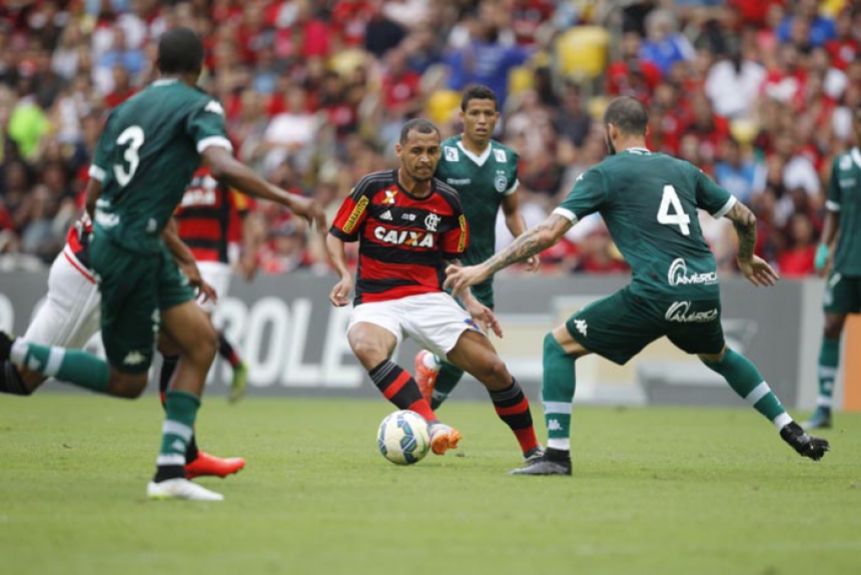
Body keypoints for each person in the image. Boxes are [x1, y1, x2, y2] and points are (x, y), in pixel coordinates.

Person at [0, 27, 326, 499]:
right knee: (100, 380)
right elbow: (221, 167)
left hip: (125, 245)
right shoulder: (199, 105)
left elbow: (95, 196)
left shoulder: (124, 110)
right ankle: (13, 348)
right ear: (201, 67)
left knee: (197, 342)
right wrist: (289, 199)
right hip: (110, 259)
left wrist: (180, 257)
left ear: (155, 64)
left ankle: (172, 471)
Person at [445, 96, 830, 475]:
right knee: (719, 356)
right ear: (646, 131)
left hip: (657, 292)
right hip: (702, 287)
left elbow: (548, 233)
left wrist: (482, 269)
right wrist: (745, 258)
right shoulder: (683, 169)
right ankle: (788, 427)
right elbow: (745, 217)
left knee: (557, 346)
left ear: (610, 132)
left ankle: (556, 455)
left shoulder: (605, 173)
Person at [327, 118, 542, 463]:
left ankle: (534, 451)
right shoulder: (373, 188)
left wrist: (469, 301)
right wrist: (343, 275)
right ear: (400, 152)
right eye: (416, 151)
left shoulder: (448, 201)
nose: (425, 159)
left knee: (495, 370)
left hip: (429, 298)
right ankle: (432, 424)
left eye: (431, 151)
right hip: (377, 300)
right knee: (366, 345)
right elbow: (336, 235)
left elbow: (451, 260)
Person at [0, 208, 247, 481]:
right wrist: (187, 262)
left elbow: (115, 203)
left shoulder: (154, 169)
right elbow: (151, 214)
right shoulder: (165, 167)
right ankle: (12, 349)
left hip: (124, 264)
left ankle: (183, 458)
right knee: (21, 379)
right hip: (92, 272)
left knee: (181, 343)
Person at [414, 85, 539, 409]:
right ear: (462, 117)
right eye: (475, 114)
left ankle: (426, 411)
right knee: (468, 340)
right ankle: (431, 360)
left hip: (482, 267)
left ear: (497, 118)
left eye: (488, 114)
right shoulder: (443, 155)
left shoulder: (506, 159)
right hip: (443, 261)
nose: (482, 120)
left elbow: (511, 211)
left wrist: (526, 241)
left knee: (471, 348)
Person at [173, 166, 259, 404]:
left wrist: (250, 254)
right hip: (185, 262)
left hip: (214, 263)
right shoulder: (181, 176)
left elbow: (246, 214)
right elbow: (173, 223)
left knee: (199, 322)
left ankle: (186, 392)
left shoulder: (224, 174)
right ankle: (235, 362)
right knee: (191, 326)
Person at [804, 104, 861, 430]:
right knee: (830, 327)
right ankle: (824, 406)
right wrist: (825, 246)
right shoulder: (843, 165)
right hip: (846, 261)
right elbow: (834, 212)